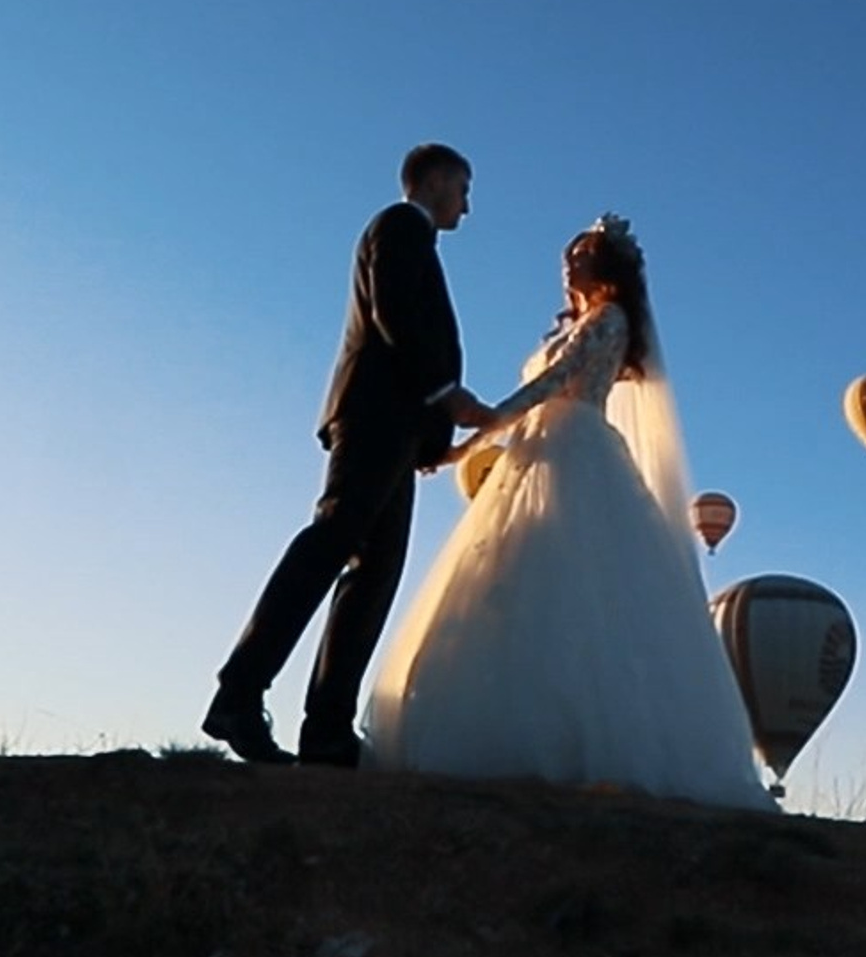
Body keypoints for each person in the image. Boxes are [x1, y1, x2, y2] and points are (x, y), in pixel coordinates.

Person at [363, 214, 775, 811]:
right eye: (568, 253)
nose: (568, 261)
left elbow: (552, 386)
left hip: (575, 449)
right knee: (510, 581)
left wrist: (471, 436)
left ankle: (577, 744)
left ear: (604, 265)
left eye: (580, 253)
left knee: (573, 587)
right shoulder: (577, 323)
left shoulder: (610, 320)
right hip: (535, 454)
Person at [202, 144, 491, 766]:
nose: (467, 206)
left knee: (374, 577)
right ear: (435, 181)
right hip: (374, 418)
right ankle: (238, 695)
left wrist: (434, 438)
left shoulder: (418, 241)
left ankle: (328, 730)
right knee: (332, 542)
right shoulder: (397, 226)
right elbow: (394, 314)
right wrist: (445, 393)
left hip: (403, 431)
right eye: (462, 189)